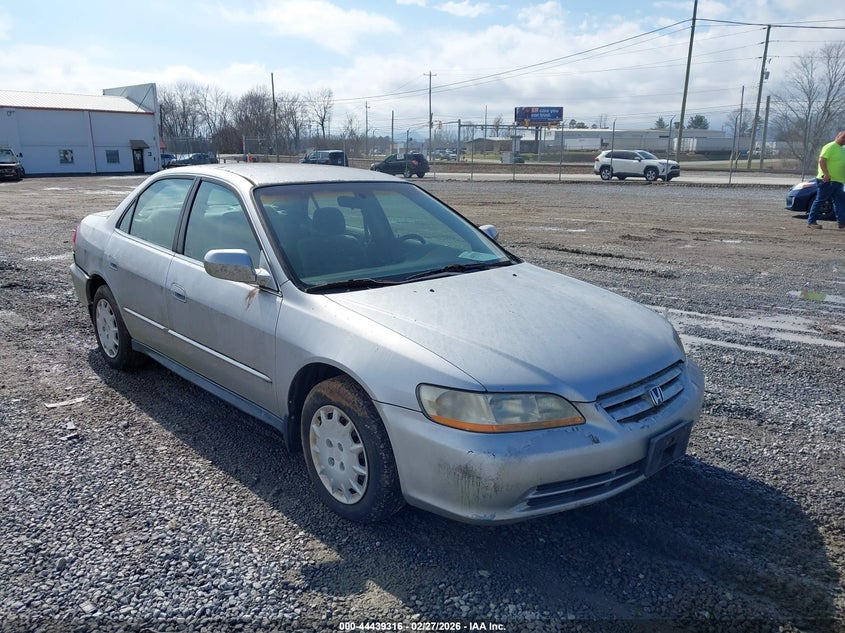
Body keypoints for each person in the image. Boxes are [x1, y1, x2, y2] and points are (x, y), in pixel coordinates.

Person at [807, 129, 845, 229]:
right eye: (843, 137)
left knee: (840, 202)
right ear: (837, 136)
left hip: (839, 181)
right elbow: (822, 160)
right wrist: (826, 174)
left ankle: (842, 222)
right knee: (820, 200)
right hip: (827, 180)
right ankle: (811, 222)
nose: (844, 140)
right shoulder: (830, 146)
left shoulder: (843, 149)